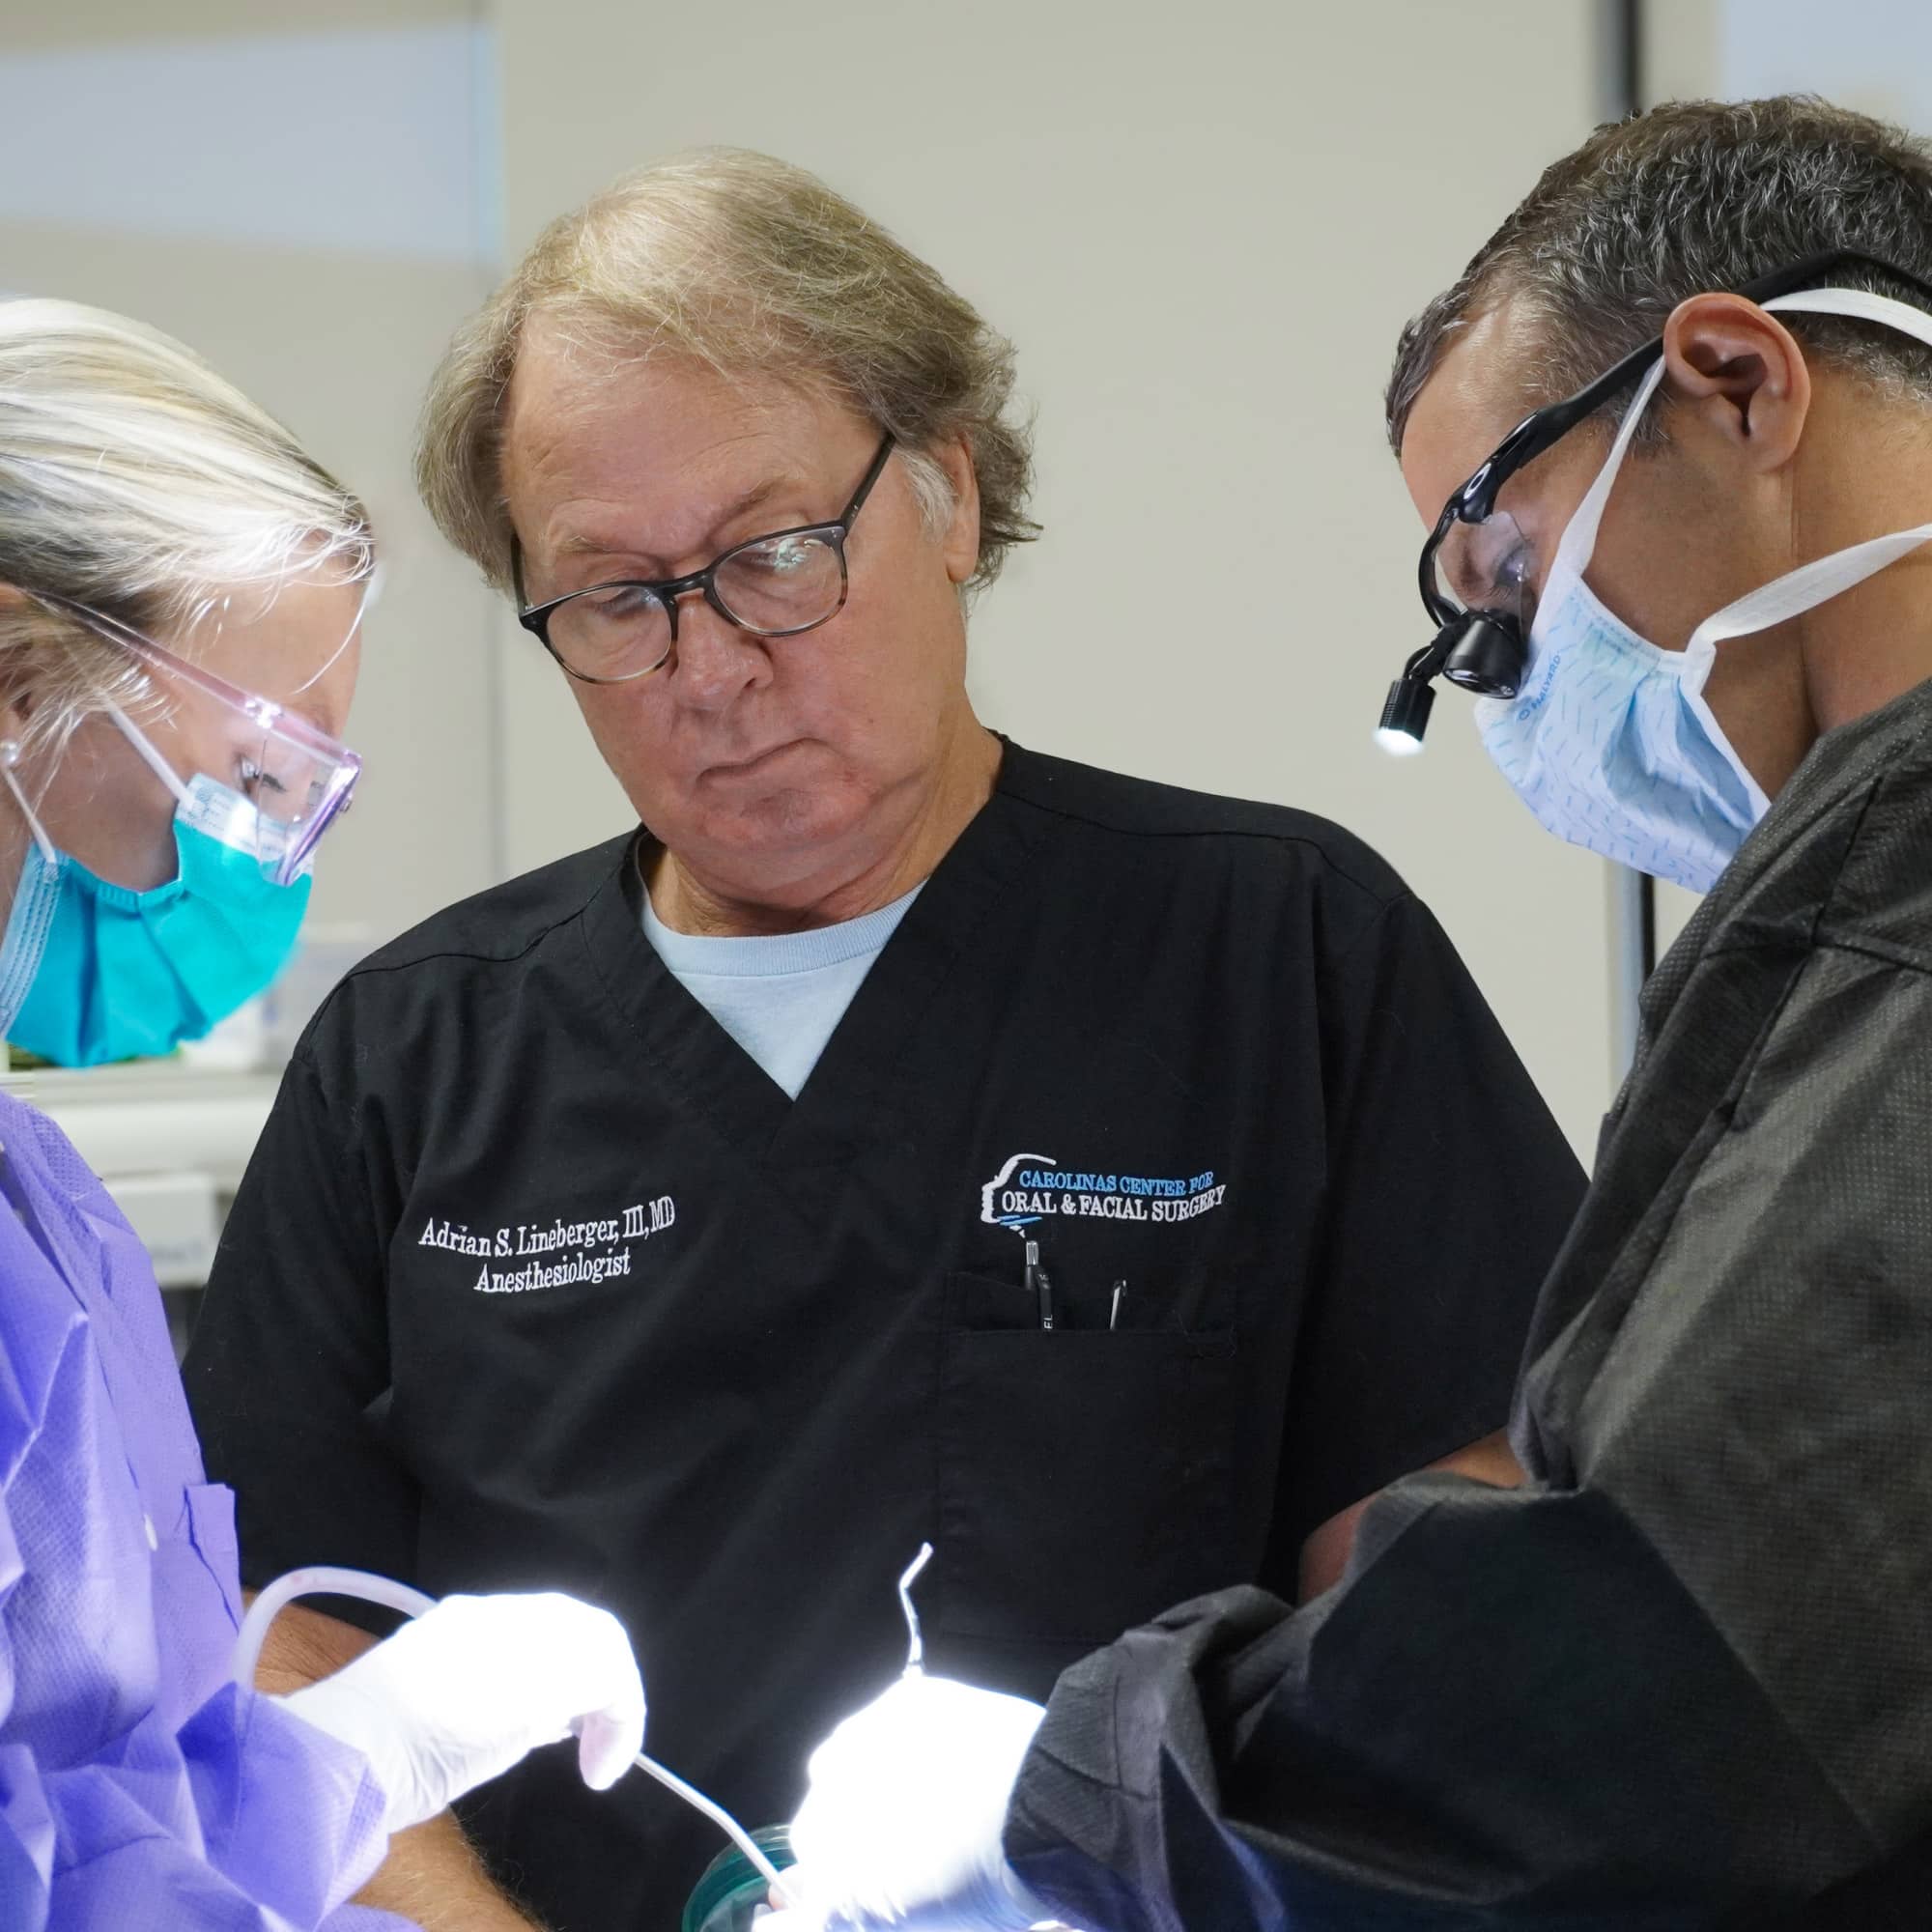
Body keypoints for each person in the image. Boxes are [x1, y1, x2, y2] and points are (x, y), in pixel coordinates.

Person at [182, 150, 1585, 1930]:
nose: (710, 668)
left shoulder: (1278, 950)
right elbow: (281, 1642)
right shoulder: (412, 1058)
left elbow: (1457, 1553)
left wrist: (1164, 1846)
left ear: (950, 498)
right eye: (616, 597)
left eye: (776, 555)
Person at [768, 95, 1932, 1932]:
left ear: (1733, 383)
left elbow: (1657, 1660)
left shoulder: (1892, 925)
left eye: (1509, 579)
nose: (1517, 686)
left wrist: (1076, 1794)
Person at [0, 300, 647, 1932]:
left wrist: (325, 1771)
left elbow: (109, 1820)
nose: (268, 862)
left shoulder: (38, 1207)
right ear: (14, 675)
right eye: (257, 774)